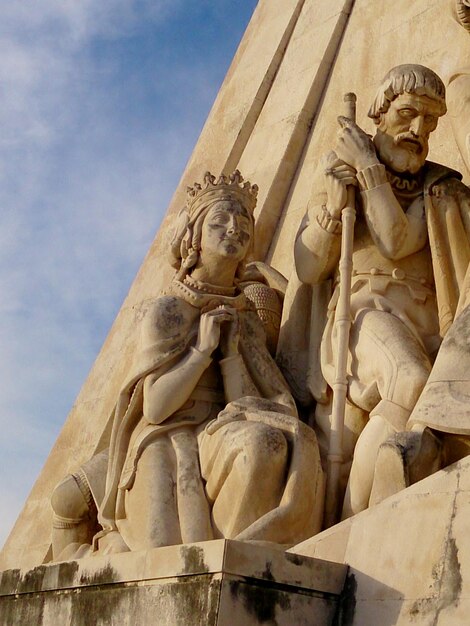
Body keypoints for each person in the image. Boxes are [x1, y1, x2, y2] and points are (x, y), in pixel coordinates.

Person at [51, 170, 323, 560]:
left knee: (266, 443)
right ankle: (92, 555)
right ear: (193, 237)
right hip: (164, 436)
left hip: (217, 429)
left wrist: (229, 354)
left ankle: (238, 559)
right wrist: (201, 352)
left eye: (243, 222)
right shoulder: (167, 311)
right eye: (220, 222)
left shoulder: (245, 317)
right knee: (69, 499)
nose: (234, 229)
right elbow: (156, 408)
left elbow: (245, 405)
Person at [294, 64, 470, 521]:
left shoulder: (436, 185)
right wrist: (333, 209)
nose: (418, 130)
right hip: (365, 313)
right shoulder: (338, 170)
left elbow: (396, 239)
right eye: (409, 114)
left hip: (429, 326)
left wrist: (370, 169)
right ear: (380, 111)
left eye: (429, 123)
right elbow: (308, 267)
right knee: (409, 379)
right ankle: (357, 526)